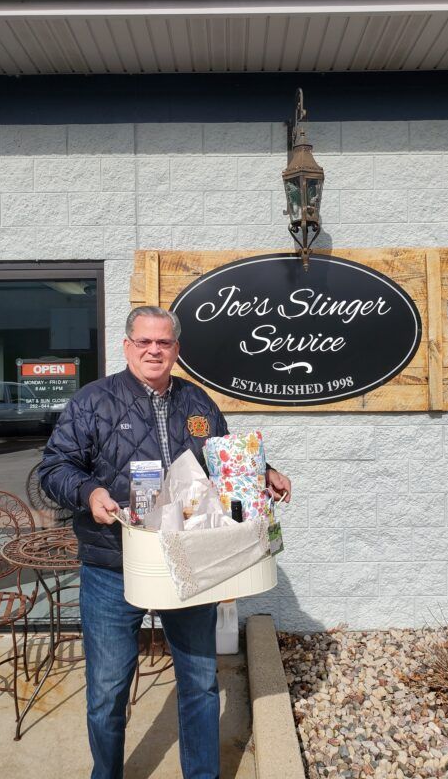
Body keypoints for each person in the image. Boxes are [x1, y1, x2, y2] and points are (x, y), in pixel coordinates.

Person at [39, 306, 291, 779]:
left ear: (176, 349)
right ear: (128, 346)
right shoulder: (92, 402)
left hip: (188, 565)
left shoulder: (198, 404)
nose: (154, 350)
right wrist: (89, 492)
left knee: (198, 682)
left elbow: (226, 459)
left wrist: (264, 471)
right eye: (144, 342)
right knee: (108, 690)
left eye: (164, 343)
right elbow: (53, 469)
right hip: (113, 565)